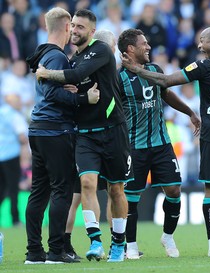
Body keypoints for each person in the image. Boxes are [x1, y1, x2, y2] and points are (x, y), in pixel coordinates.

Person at [121, 26, 210, 257]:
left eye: (202, 41)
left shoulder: (203, 66)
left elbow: (166, 81)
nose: (198, 46)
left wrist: (136, 70)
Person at [35, 9, 133, 262]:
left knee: (116, 190)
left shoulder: (100, 50)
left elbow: (76, 77)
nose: (75, 30)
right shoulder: (72, 59)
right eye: (74, 26)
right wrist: (73, 90)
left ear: (91, 32)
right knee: (87, 184)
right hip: (86, 134)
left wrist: (47, 73)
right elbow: (72, 81)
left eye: (81, 27)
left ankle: (119, 244)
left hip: (113, 131)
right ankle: (95, 241)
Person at [117, 28, 201, 259]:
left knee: (174, 190)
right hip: (134, 146)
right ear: (130, 49)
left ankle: (168, 236)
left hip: (162, 143)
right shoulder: (119, 77)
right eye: (144, 43)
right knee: (132, 197)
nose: (148, 47)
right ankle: (131, 245)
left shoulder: (155, 70)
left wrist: (189, 112)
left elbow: (165, 94)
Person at [24, 7, 99, 264]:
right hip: (55, 129)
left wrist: (69, 89)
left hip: (38, 129)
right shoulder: (57, 57)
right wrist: (82, 97)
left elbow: (49, 91)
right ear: (67, 27)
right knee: (61, 191)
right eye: (73, 27)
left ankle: (34, 252)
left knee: (39, 192)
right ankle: (55, 251)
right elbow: (53, 95)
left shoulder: (42, 54)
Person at [63, 29, 116, 260]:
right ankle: (100, 241)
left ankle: (117, 241)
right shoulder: (78, 64)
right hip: (88, 136)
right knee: (93, 188)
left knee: (107, 190)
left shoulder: (76, 64)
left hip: (105, 134)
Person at [0, 94, 28, 227]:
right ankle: (15, 219)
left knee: (1, 188)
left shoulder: (1, 112)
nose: (19, 103)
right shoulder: (15, 116)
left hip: (1, 155)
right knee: (13, 189)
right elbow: (22, 137)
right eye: (18, 101)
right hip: (11, 155)